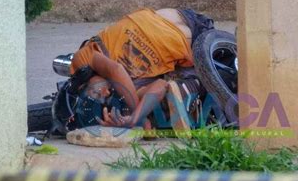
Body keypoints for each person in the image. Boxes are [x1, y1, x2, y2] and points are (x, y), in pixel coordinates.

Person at [69, 8, 214, 131]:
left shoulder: (82, 61)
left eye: (96, 92)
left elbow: (115, 69)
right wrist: (135, 117)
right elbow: (160, 87)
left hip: (179, 18)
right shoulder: (125, 93)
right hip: (194, 43)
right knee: (184, 86)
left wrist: (139, 116)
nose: (106, 92)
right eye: (105, 99)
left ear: (83, 85)